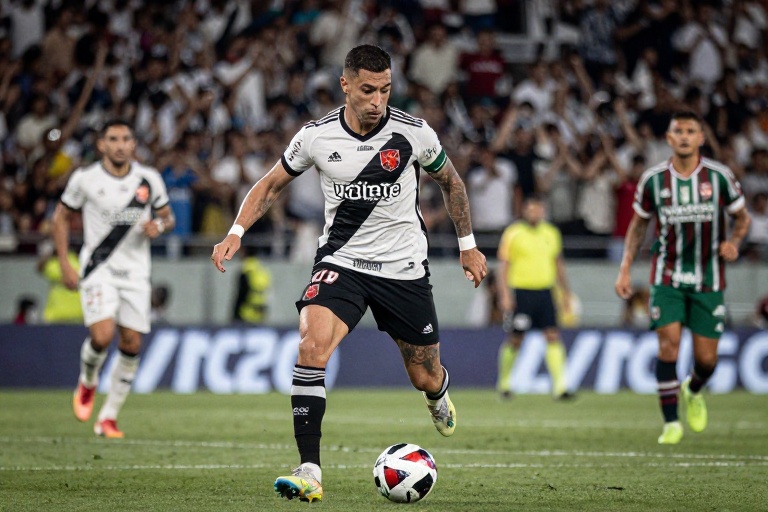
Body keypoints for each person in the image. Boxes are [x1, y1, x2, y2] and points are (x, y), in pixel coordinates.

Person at [211, 44, 487, 502]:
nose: (377, 100)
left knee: (424, 373)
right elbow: (271, 185)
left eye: (385, 89)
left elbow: (451, 181)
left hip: (403, 269)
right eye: (367, 90)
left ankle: (438, 396)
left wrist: (468, 246)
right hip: (342, 263)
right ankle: (310, 470)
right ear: (345, 86)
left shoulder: (413, 133)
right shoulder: (316, 137)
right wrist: (236, 231)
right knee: (311, 347)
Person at [615, 111, 751, 445]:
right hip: (667, 277)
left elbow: (743, 218)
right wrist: (625, 266)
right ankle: (671, 423)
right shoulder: (654, 180)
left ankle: (693, 388)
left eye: (692, 130)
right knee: (668, 346)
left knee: (707, 360)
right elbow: (638, 226)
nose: (686, 136)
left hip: (709, 280)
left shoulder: (719, 177)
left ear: (702, 137)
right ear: (669, 139)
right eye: (679, 131)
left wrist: (733, 243)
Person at [52, 120, 175, 439]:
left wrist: (159, 228)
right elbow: (61, 216)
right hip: (98, 269)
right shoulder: (85, 179)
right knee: (103, 336)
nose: (120, 144)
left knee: (132, 342)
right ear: (101, 145)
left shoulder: (148, 178)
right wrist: (65, 261)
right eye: (113, 139)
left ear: (134, 144)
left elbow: (167, 217)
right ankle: (88, 381)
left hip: (136, 273)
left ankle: (108, 418)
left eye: (126, 139)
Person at [495, 196, 575, 400]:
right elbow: (503, 267)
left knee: (552, 335)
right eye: (530, 209)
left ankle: (561, 387)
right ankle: (504, 383)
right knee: (516, 339)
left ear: (543, 211)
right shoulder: (513, 233)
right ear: (524, 211)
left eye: (538, 209)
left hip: (546, 292)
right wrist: (504, 294)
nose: (534, 213)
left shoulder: (551, 233)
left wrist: (566, 292)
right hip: (522, 293)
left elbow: (558, 265)